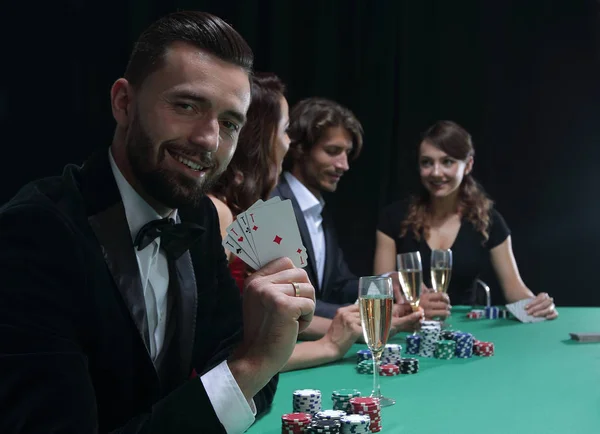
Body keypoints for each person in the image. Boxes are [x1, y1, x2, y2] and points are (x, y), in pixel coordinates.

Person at [0, 11, 317, 434]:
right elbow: (241, 373)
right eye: (186, 105)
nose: (208, 140)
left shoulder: (196, 215)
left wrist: (257, 350)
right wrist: (253, 362)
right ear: (124, 103)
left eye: (229, 123)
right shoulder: (35, 233)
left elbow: (235, 379)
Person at [373, 120, 558, 320]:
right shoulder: (393, 217)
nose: (436, 172)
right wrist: (412, 306)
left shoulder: (489, 221)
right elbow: (379, 290)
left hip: (465, 329)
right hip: (406, 326)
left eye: (447, 162)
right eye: (427, 162)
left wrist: (537, 305)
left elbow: (514, 290)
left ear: (468, 164)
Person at [272, 97, 423, 327]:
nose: (344, 165)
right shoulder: (272, 204)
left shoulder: (318, 210)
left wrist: (385, 284)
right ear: (300, 149)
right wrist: (368, 313)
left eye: (346, 153)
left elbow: (340, 285)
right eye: (333, 151)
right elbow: (291, 300)